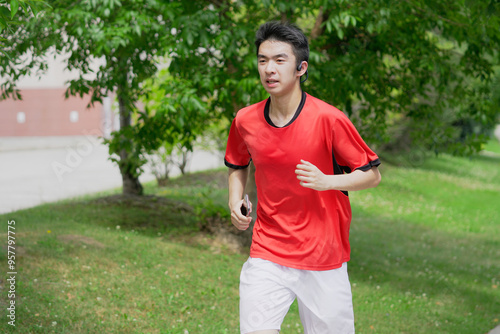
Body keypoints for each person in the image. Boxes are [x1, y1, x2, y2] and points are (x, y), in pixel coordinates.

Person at [224, 21, 381, 334]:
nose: (269, 69)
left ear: (300, 68)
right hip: (268, 251)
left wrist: (328, 181)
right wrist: (234, 199)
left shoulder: (329, 119)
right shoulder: (245, 120)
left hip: (324, 255)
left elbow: (372, 175)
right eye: (262, 60)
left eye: (280, 60)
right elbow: (238, 162)